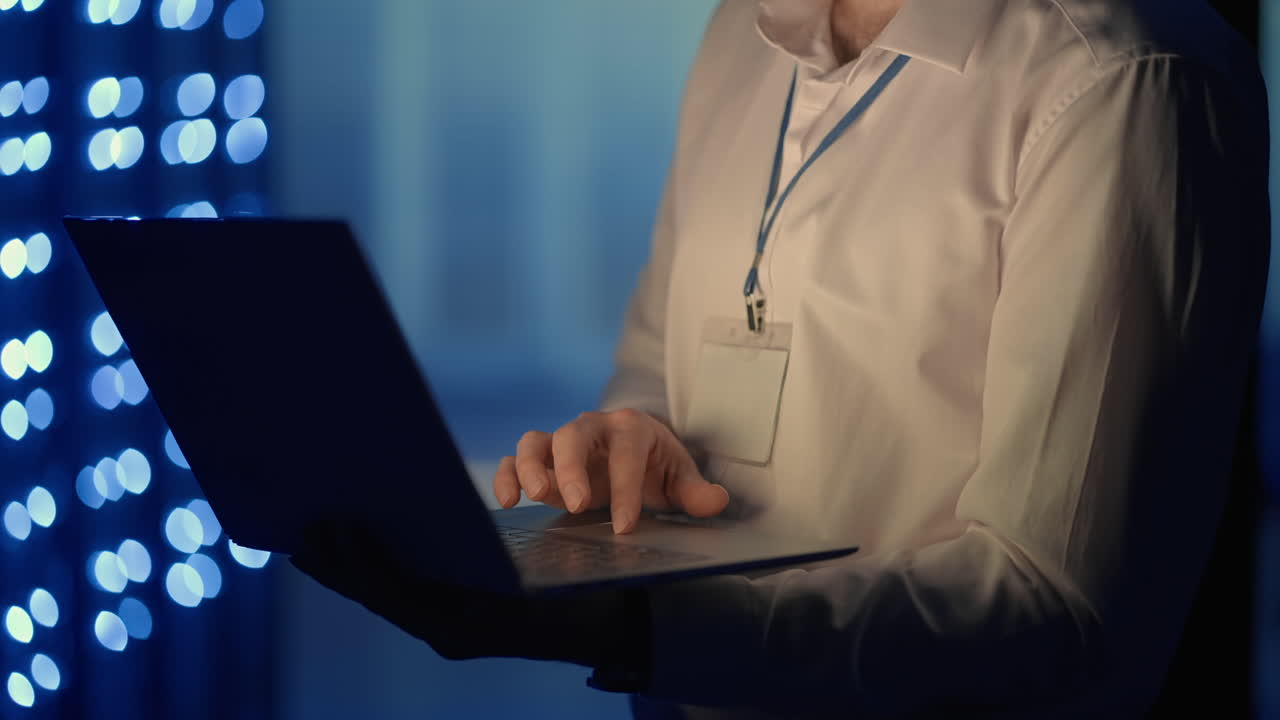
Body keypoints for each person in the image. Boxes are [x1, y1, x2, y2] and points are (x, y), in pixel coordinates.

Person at [291, 0, 1271, 716]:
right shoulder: (742, 37)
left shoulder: (1122, 77)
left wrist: (622, 633)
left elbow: (1052, 609)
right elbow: (648, 379)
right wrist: (624, 452)